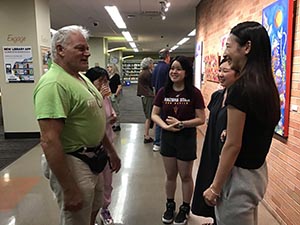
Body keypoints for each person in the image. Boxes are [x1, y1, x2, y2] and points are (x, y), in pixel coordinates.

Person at [33, 25, 121, 225]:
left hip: (94, 158)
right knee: (77, 217)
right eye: (80, 48)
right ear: (60, 50)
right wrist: (69, 188)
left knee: (92, 208)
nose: (87, 53)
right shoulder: (54, 84)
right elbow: (49, 140)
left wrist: (111, 151)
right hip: (73, 161)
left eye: (87, 48)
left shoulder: (81, 78)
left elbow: (94, 119)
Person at [203, 21, 280, 225]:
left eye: (229, 46)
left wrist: (215, 188)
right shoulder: (267, 86)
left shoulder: (240, 88)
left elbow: (233, 146)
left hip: (238, 178)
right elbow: (255, 130)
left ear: (246, 47)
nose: (226, 54)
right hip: (257, 173)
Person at [151, 56, 206, 225]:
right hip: (168, 139)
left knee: (186, 176)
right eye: (172, 68)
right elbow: (154, 114)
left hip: (186, 138)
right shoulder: (163, 91)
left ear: (186, 72)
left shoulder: (194, 93)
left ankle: (185, 208)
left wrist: (181, 124)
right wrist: (165, 127)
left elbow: (201, 119)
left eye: (178, 69)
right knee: (170, 176)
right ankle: (170, 205)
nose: (174, 72)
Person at [191, 58, 240, 224]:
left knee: (222, 190)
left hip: (224, 152)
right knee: (207, 180)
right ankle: (214, 219)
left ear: (238, 74)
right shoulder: (218, 95)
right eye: (219, 70)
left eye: (225, 71)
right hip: (211, 147)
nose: (220, 74)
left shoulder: (240, 101)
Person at [85, 66, 117, 225]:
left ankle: (105, 209)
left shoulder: (106, 98)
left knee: (107, 182)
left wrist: (113, 118)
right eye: (100, 81)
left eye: (106, 81)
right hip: (92, 148)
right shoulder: (89, 99)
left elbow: (110, 115)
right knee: (93, 184)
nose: (105, 85)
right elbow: (92, 122)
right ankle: (92, 212)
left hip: (108, 145)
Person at [151, 48, 171, 151]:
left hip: (157, 96)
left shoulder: (155, 68)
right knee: (166, 119)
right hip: (167, 97)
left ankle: (157, 142)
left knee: (158, 119)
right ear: (167, 56)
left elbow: (153, 84)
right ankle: (162, 142)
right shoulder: (168, 68)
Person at [137, 57, 155, 144]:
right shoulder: (148, 73)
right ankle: (146, 135)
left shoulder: (142, 73)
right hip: (148, 95)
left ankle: (147, 134)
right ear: (149, 64)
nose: (153, 65)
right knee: (149, 116)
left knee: (148, 115)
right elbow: (152, 84)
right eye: (152, 63)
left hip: (144, 95)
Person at [107, 63, 122, 132]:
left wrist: (116, 94)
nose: (108, 68)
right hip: (109, 94)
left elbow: (119, 86)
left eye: (110, 67)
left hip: (114, 94)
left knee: (116, 110)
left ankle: (117, 125)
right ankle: (112, 124)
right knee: (110, 110)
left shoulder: (116, 76)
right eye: (108, 67)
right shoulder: (109, 76)